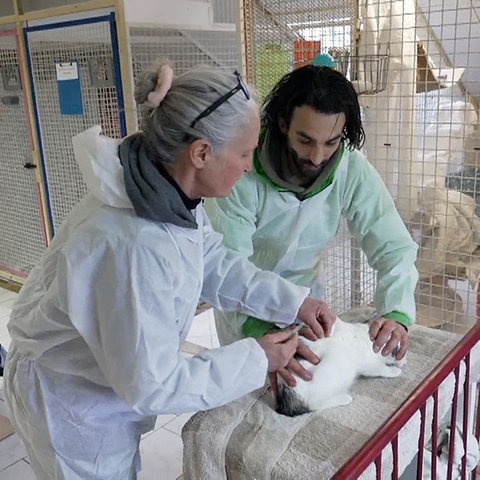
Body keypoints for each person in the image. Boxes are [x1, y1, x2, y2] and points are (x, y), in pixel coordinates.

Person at [4, 62, 335, 480]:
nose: (250, 166)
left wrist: (294, 300)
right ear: (201, 153)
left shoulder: (166, 189)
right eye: (245, 153)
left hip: (101, 384)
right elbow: (153, 384)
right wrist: (257, 357)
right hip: (71, 405)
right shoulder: (134, 244)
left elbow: (211, 262)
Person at [205, 65, 419, 386]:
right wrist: (260, 328)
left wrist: (396, 312)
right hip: (244, 310)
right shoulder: (241, 175)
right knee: (258, 392)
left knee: (312, 384)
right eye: (305, 141)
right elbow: (226, 267)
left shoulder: (350, 170)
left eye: (331, 142)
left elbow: (394, 247)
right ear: (282, 123)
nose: (318, 157)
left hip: (307, 303)